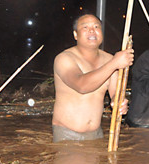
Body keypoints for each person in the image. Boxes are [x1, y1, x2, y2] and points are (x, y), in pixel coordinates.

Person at [52, 13, 134, 142]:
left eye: (96, 27)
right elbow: (82, 86)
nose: (92, 30)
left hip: (96, 134)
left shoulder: (109, 59)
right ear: (75, 34)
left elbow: (116, 94)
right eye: (85, 27)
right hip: (67, 134)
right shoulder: (64, 58)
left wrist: (119, 103)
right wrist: (114, 64)